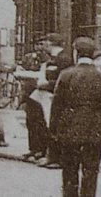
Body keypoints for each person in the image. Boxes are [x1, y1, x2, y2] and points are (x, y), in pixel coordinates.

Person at [50, 36, 101, 197]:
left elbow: (57, 106)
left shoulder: (66, 75)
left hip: (70, 130)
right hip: (95, 131)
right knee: (91, 171)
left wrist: (54, 129)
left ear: (76, 53)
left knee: (69, 171)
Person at [33, 33, 73, 169]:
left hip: (58, 98)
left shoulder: (64, 59)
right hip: (47, 98)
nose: (44, 46)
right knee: (50, 126)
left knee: (56, 127)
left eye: (46, 43)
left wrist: (47, 84)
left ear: (50, 43)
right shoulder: (52, 59)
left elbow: (65, 80)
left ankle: (57, 158)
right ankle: (50, 156)